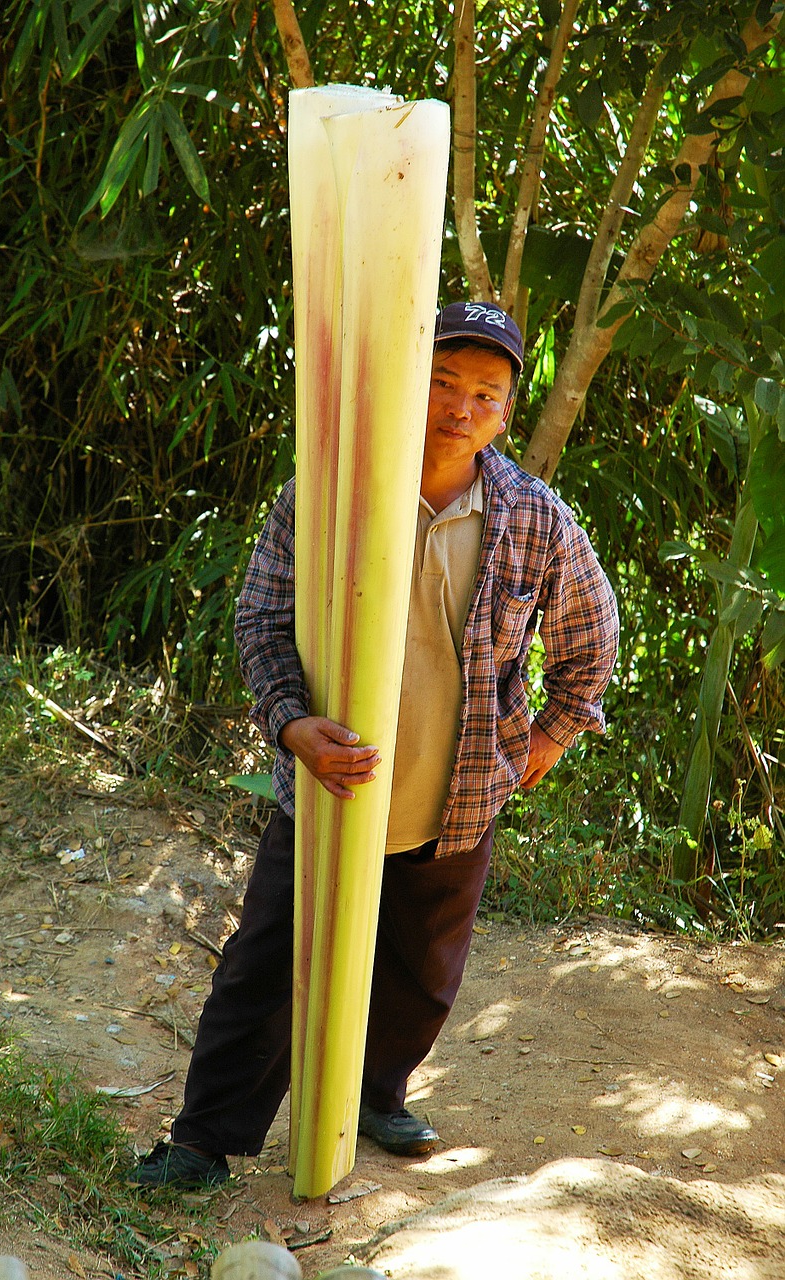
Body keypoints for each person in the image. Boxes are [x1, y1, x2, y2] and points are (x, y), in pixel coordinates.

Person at [129, 301, 619, 1190]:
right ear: (407, 385)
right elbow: (263, 618)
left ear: (506, 410)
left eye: (483, 391)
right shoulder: (329, 491)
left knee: (421, 968)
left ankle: (375, 1094)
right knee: (270, 963)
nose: (458, 407)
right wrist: (289, 721)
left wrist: (550, 732)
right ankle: (204, 1141)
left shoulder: (533, 518)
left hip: (458, 788)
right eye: (440, 382)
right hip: (330, 786)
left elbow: (592, 636)